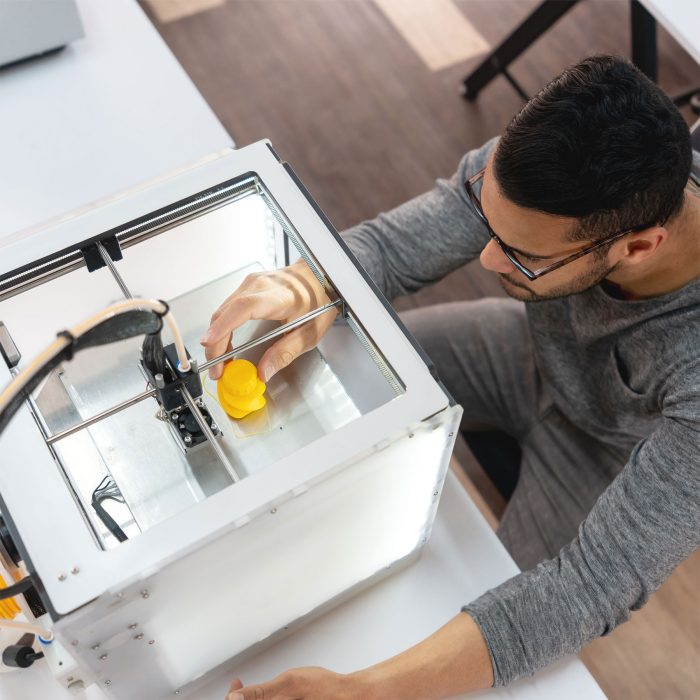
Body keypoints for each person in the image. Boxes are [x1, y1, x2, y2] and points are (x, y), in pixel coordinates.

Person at [199, 55, 700, 699]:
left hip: (605, 454)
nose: (486, 255)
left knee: (459, 636)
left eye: (521, 254)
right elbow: (386, 251)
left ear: (637, 248)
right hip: (522, 356)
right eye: (487, 220)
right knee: (332, 350)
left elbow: (589, 585)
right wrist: (309, 283)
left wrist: (367, 689)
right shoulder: (554, 166)